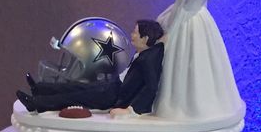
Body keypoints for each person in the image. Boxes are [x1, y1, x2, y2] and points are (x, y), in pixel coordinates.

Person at [153, 0, 245, 122]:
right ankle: (186, 105)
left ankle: (210, 101)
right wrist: (170, 32)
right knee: (187, 61)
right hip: (188, 22)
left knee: (208, 60)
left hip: (203, 19)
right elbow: (179, 7)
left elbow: (204, 1)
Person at [17, 20, 164, 115]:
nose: (132, 35)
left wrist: (131, 110)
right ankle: (40, 89)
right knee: (76, 87)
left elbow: (151, 88)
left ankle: (35, 104)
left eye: (135, 33)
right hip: (113, 86)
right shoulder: (142, 54)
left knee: (75, 97)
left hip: (113, 96)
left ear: (145, 38)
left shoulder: (148, 59)